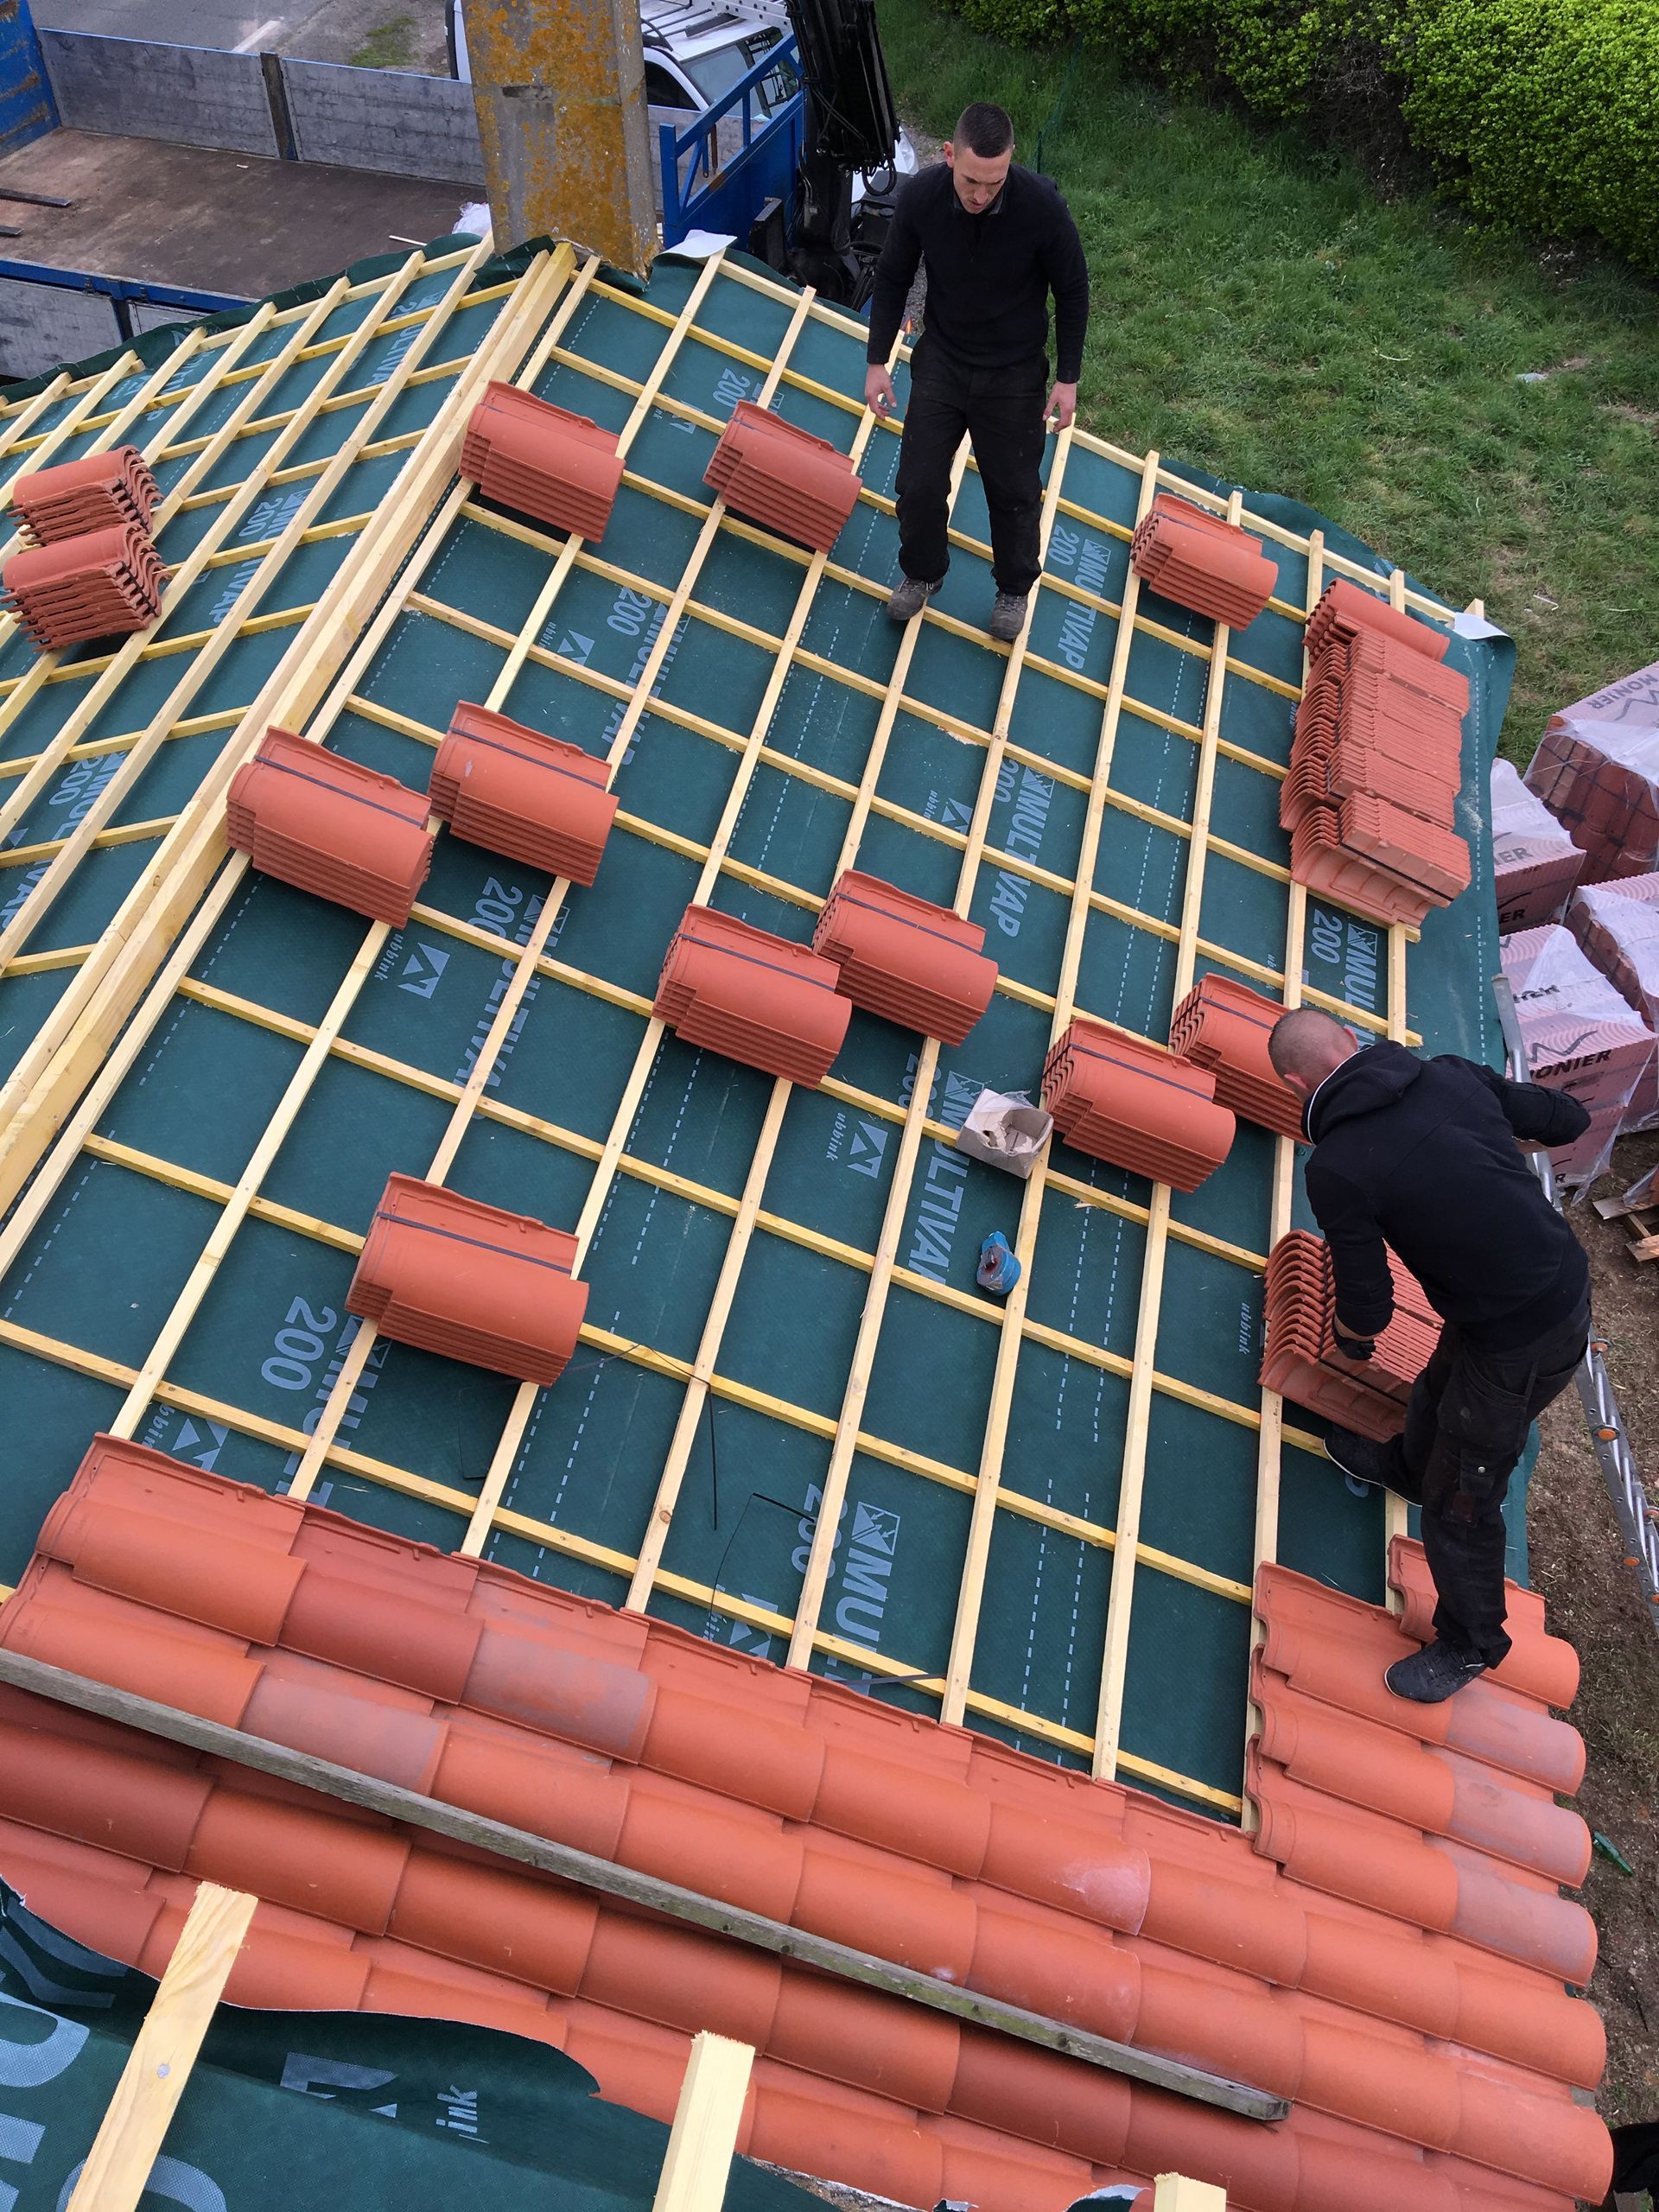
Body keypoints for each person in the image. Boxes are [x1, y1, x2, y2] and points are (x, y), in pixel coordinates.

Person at [1268, 1007, 1592, 1703]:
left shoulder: (1340, 1167)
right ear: (1350, 1043)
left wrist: (1354, 1340)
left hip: (1526, 1334)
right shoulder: (1449, 1076)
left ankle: (1472, 1643)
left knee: (1463, 1499)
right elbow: (1563, 1119)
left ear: (1298, 1083)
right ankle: (1407, 1466)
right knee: (1436, 1391)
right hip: (1528, 1289)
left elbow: (1367, 1290)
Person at [863, 101, 1090, 645]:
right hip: (943, 357)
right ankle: (922, 573)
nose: (981, 195)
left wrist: (1068, 378)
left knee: (1013, 491)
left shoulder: (1040, 207)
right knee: (917, 484)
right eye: (970, 181)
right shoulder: (920, 197)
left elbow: (1074, 289)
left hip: (1013, 372)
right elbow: (893, 276)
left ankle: (1013, 588)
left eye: (994, 182)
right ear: (948, 156)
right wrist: (877, 362)